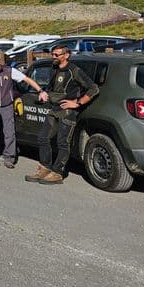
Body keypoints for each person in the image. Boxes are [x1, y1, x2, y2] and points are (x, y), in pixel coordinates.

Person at [25, 45, 99, 185]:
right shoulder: (54, 68)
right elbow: (52, 87)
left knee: (62, 142)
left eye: (57, 55)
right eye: (52, 54)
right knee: (43, 138)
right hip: (54, 109)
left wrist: (77, 103)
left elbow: (93, 88)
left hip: (67, 112)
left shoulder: (74, 70)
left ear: (66, 55)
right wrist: (44, 93)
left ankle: (58, 172)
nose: (53, 57)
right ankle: (44, 168)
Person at [0, 52, 42, 169]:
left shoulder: (9, 70)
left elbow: (26, 79)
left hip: (7, 105)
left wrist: (40, 91)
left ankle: (9, 158)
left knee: (9, 132)